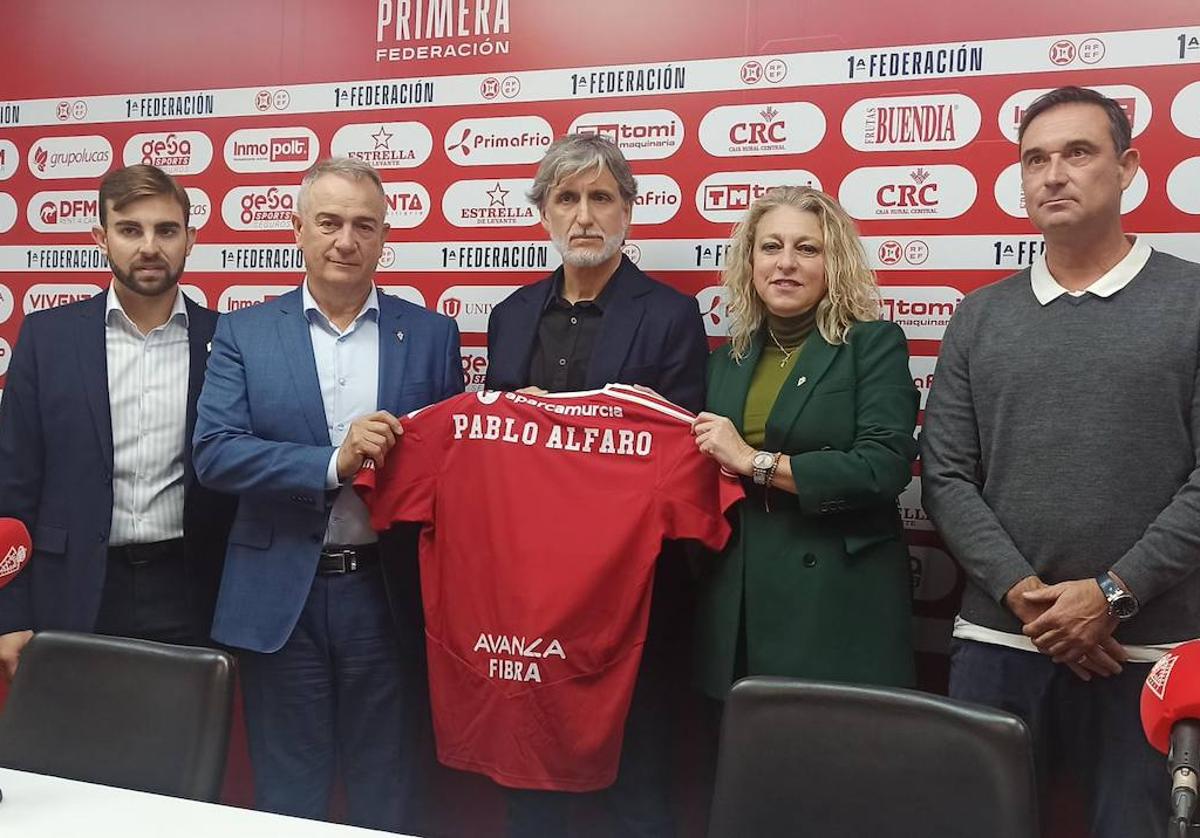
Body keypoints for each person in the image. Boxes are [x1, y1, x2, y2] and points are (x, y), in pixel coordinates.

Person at [920, 86, 1200, 837]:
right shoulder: (980, 315)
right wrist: (1028, 599)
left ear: (1129, 167)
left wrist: (1111, 594)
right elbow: (944, 476)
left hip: (1150, 653)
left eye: (1078, 152)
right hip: (1002, 645)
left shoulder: (1193, 302)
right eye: (1035, 158)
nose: (1053, 174)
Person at [192, 157, 463, 830]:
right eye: (330, 222)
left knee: (389, 790)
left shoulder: (431, 335)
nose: (346, 240)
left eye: (364, 225)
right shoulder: (244, 332)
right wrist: (333, 460)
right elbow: (214, 454)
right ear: (298, 230)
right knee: (288, 795)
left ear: (383, 237)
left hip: (387, 595)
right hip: (281, 597)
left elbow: (452, 471)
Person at [484, 133, 709, 838]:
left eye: (601, 197)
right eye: (567, 198)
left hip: (629, 595)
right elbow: (491, 456)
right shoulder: (510, 316)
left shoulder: (671, 315)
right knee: (531, 779)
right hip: (527, 598)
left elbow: (680, 462)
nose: (584, 215)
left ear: (629, 211)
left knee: (633, 782)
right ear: (543, 214)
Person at [0, 164, 234, 678]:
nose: (149, 246)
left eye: (166, 230)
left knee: (180, 752)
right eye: (130, 230)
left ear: (191, 239)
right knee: (74, 755)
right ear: (100, 238)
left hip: (191, 589)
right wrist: (9, 613)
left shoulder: (228, 341)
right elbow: (11, 488)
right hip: (72, 589)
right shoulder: (47, 339)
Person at [692, 185, 918, 697]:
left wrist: (755, 462)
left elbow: (884, 467)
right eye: (771, 247)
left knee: (830, 764)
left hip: (835, 601)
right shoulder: (723, 362)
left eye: (807, 248)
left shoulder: (871, 344)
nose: (786, 263)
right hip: (741, 596)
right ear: (750, 262)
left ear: (832, 261)